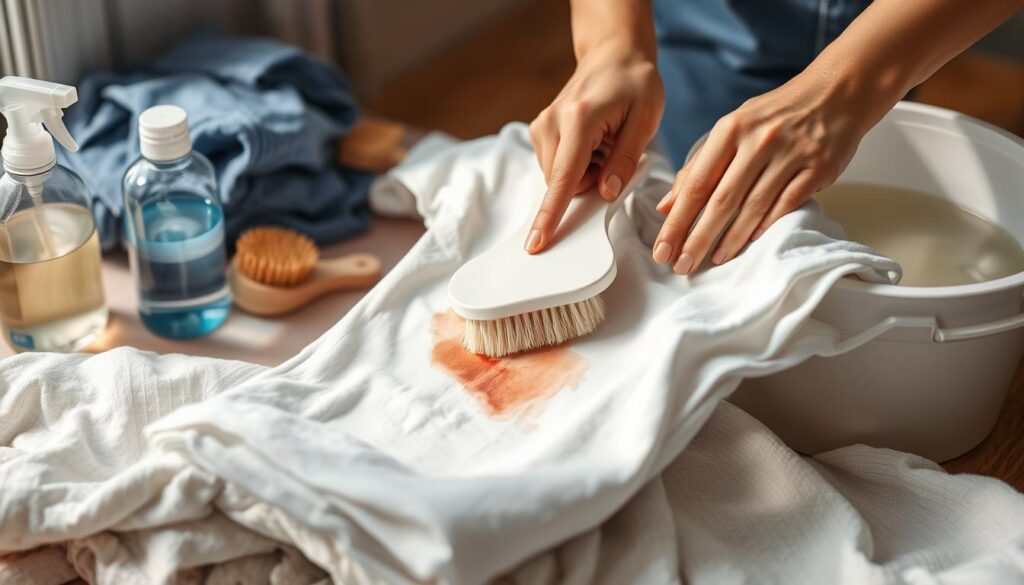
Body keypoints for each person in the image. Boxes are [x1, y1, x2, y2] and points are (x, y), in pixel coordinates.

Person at [525, 0, 1023, 275]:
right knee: (710, 212)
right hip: (698, 30)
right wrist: (612, 44)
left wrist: (846, 87)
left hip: (891, 22)